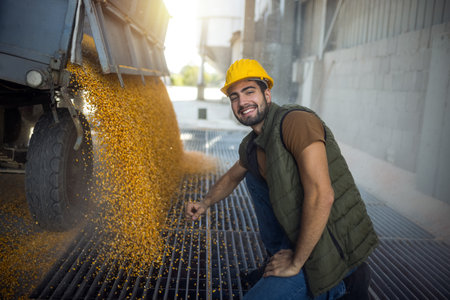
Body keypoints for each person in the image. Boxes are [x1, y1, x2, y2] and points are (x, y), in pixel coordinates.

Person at [185, 59, 378, 299]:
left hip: (330, 252)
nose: (242, 102)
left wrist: (296, 262)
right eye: (234, 97)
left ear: (267, 93)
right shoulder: (252, 145)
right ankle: (277, 259)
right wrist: (204, 203)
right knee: (252, 174)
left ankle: (342, 284)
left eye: (249, 92)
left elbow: (322, 196)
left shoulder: (296, 122)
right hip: (302, 243)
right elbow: (233, 176)